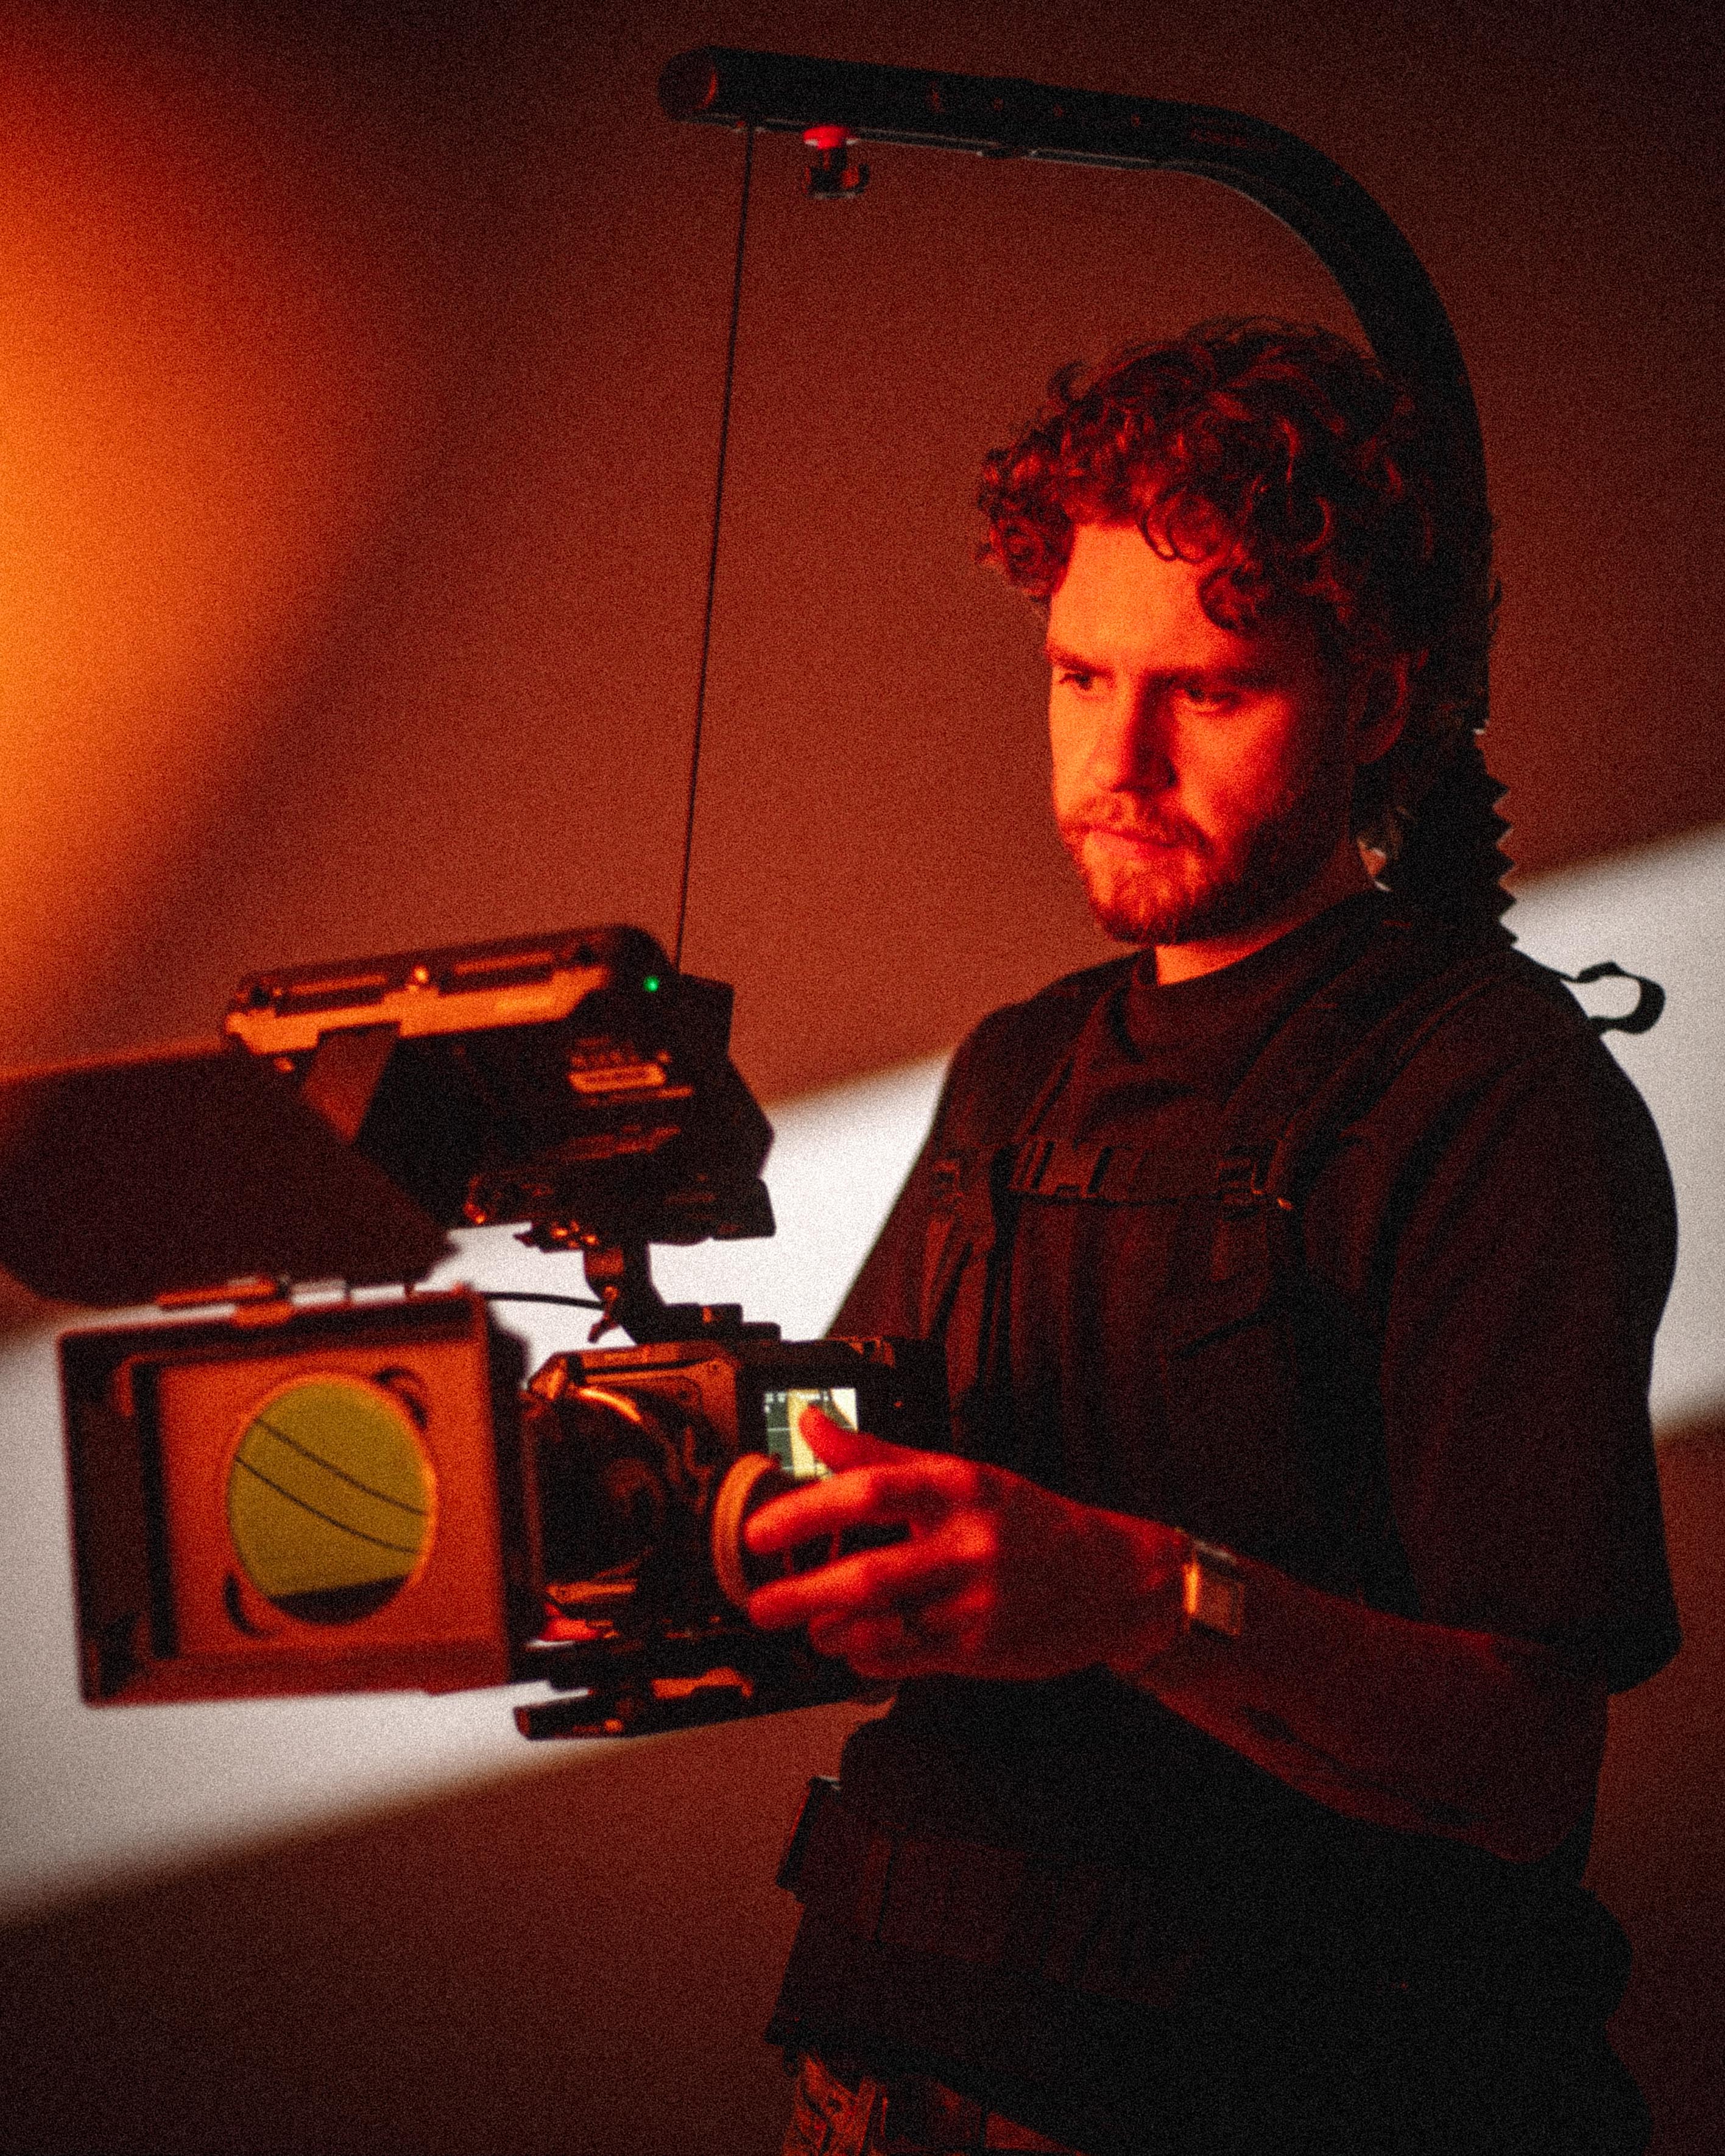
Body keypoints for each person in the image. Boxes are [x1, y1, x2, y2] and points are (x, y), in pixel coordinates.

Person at [742, 320, 1679, 2156]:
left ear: (1383, 700)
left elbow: (1522, 1761)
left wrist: (1145, 1591)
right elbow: (879, 1503)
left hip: (1271, 2099)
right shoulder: (1022, 1070)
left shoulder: (1490, 1091)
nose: (1121, 756)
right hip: (894, 2079)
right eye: (1079, 675)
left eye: (1213, 690)